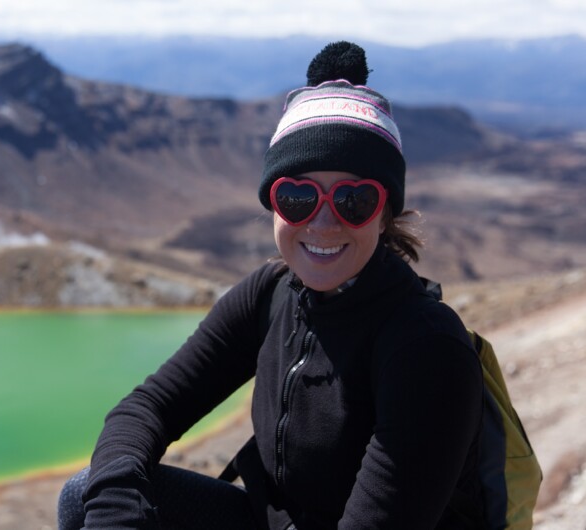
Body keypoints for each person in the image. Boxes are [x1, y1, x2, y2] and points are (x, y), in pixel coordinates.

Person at [57, 41, 486, 529]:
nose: (323, 224)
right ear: (273, 204)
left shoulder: (425, 348)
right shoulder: (272, 292)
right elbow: (146, 409)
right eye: (299, 196)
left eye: (353, 200)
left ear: (385, 215)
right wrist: (116, 516)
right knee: (84, 496)